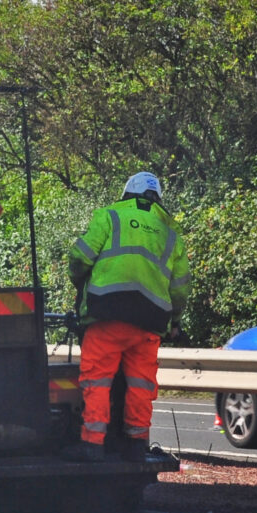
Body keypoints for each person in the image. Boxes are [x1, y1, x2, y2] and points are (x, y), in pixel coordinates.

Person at [67, 172, 190, 461]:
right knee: (140, 383)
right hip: (150, 321)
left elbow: (80, 258)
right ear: (157, 198)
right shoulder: (170, 232)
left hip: (107, 314)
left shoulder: (110, 216)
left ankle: (92, 444)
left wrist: (78, 281)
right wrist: (175, 321)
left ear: (127, 194)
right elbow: (180, 288)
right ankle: (137, 444)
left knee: (97, 379)